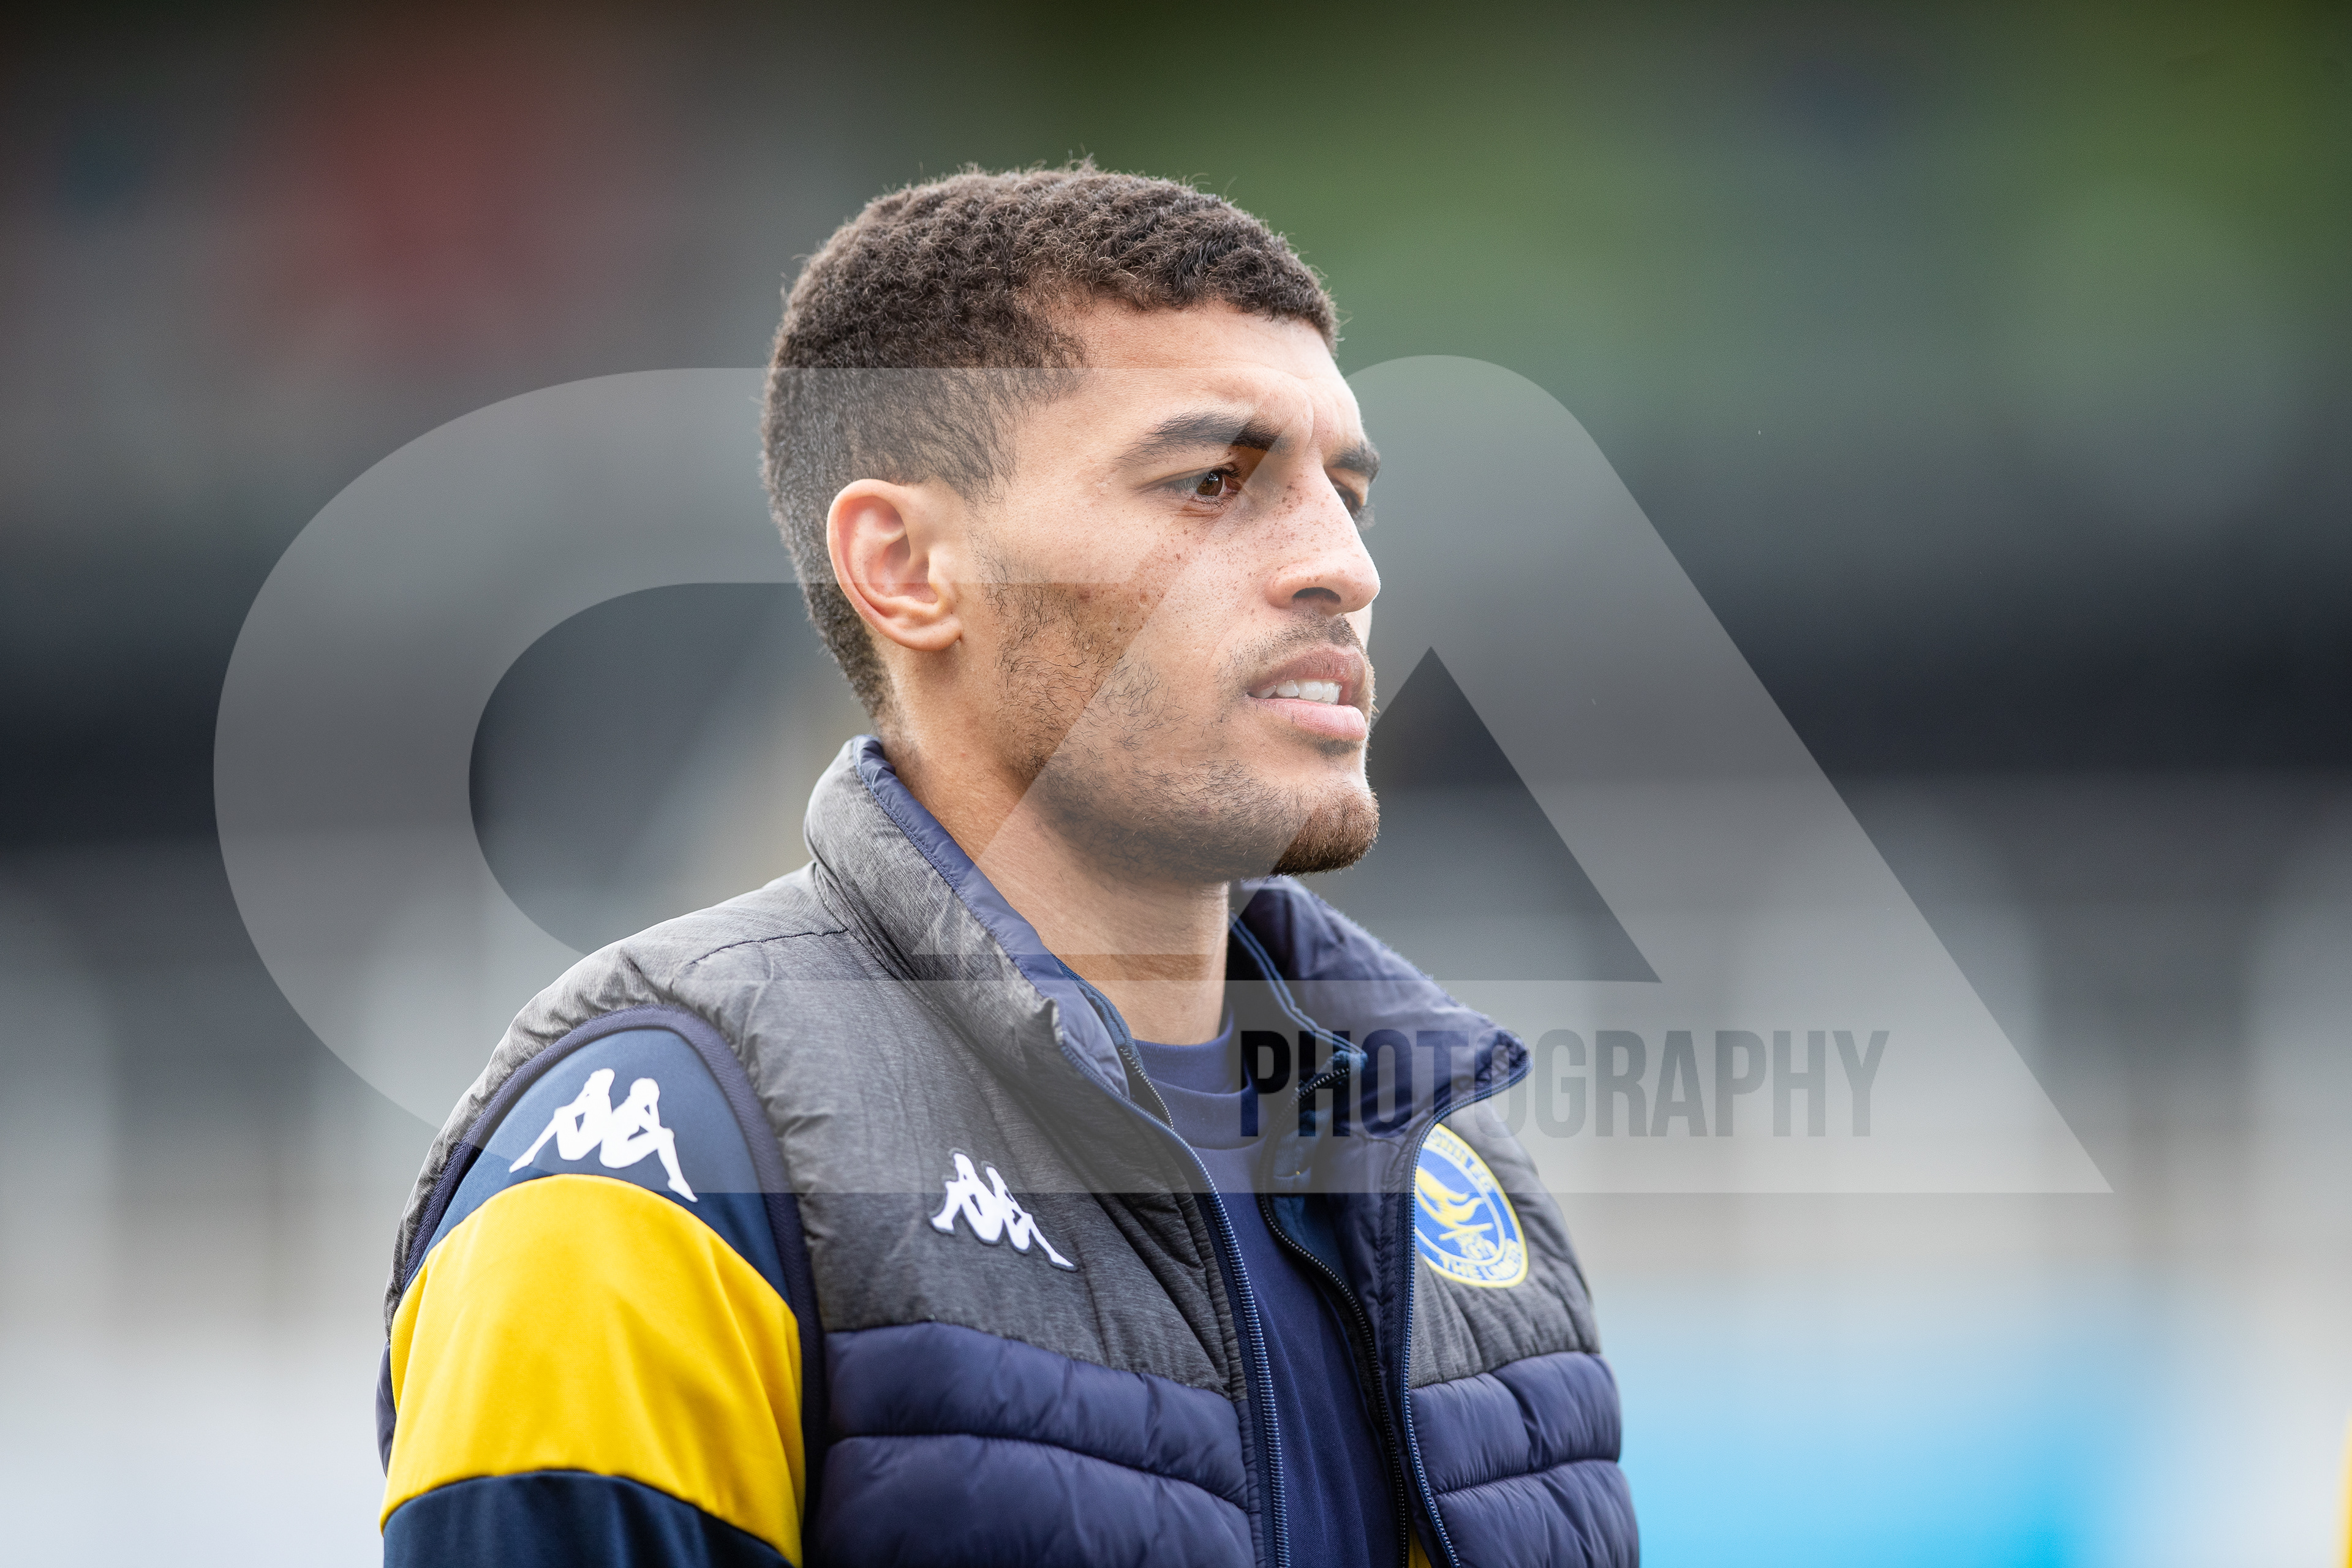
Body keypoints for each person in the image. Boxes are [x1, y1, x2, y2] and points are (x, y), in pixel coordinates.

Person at [374, 164, 1637, 1568]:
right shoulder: (657, 1164)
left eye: (1346, 492)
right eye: (1212, 482)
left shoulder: (1450, 1154)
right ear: (907, 566)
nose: (1343, 566)